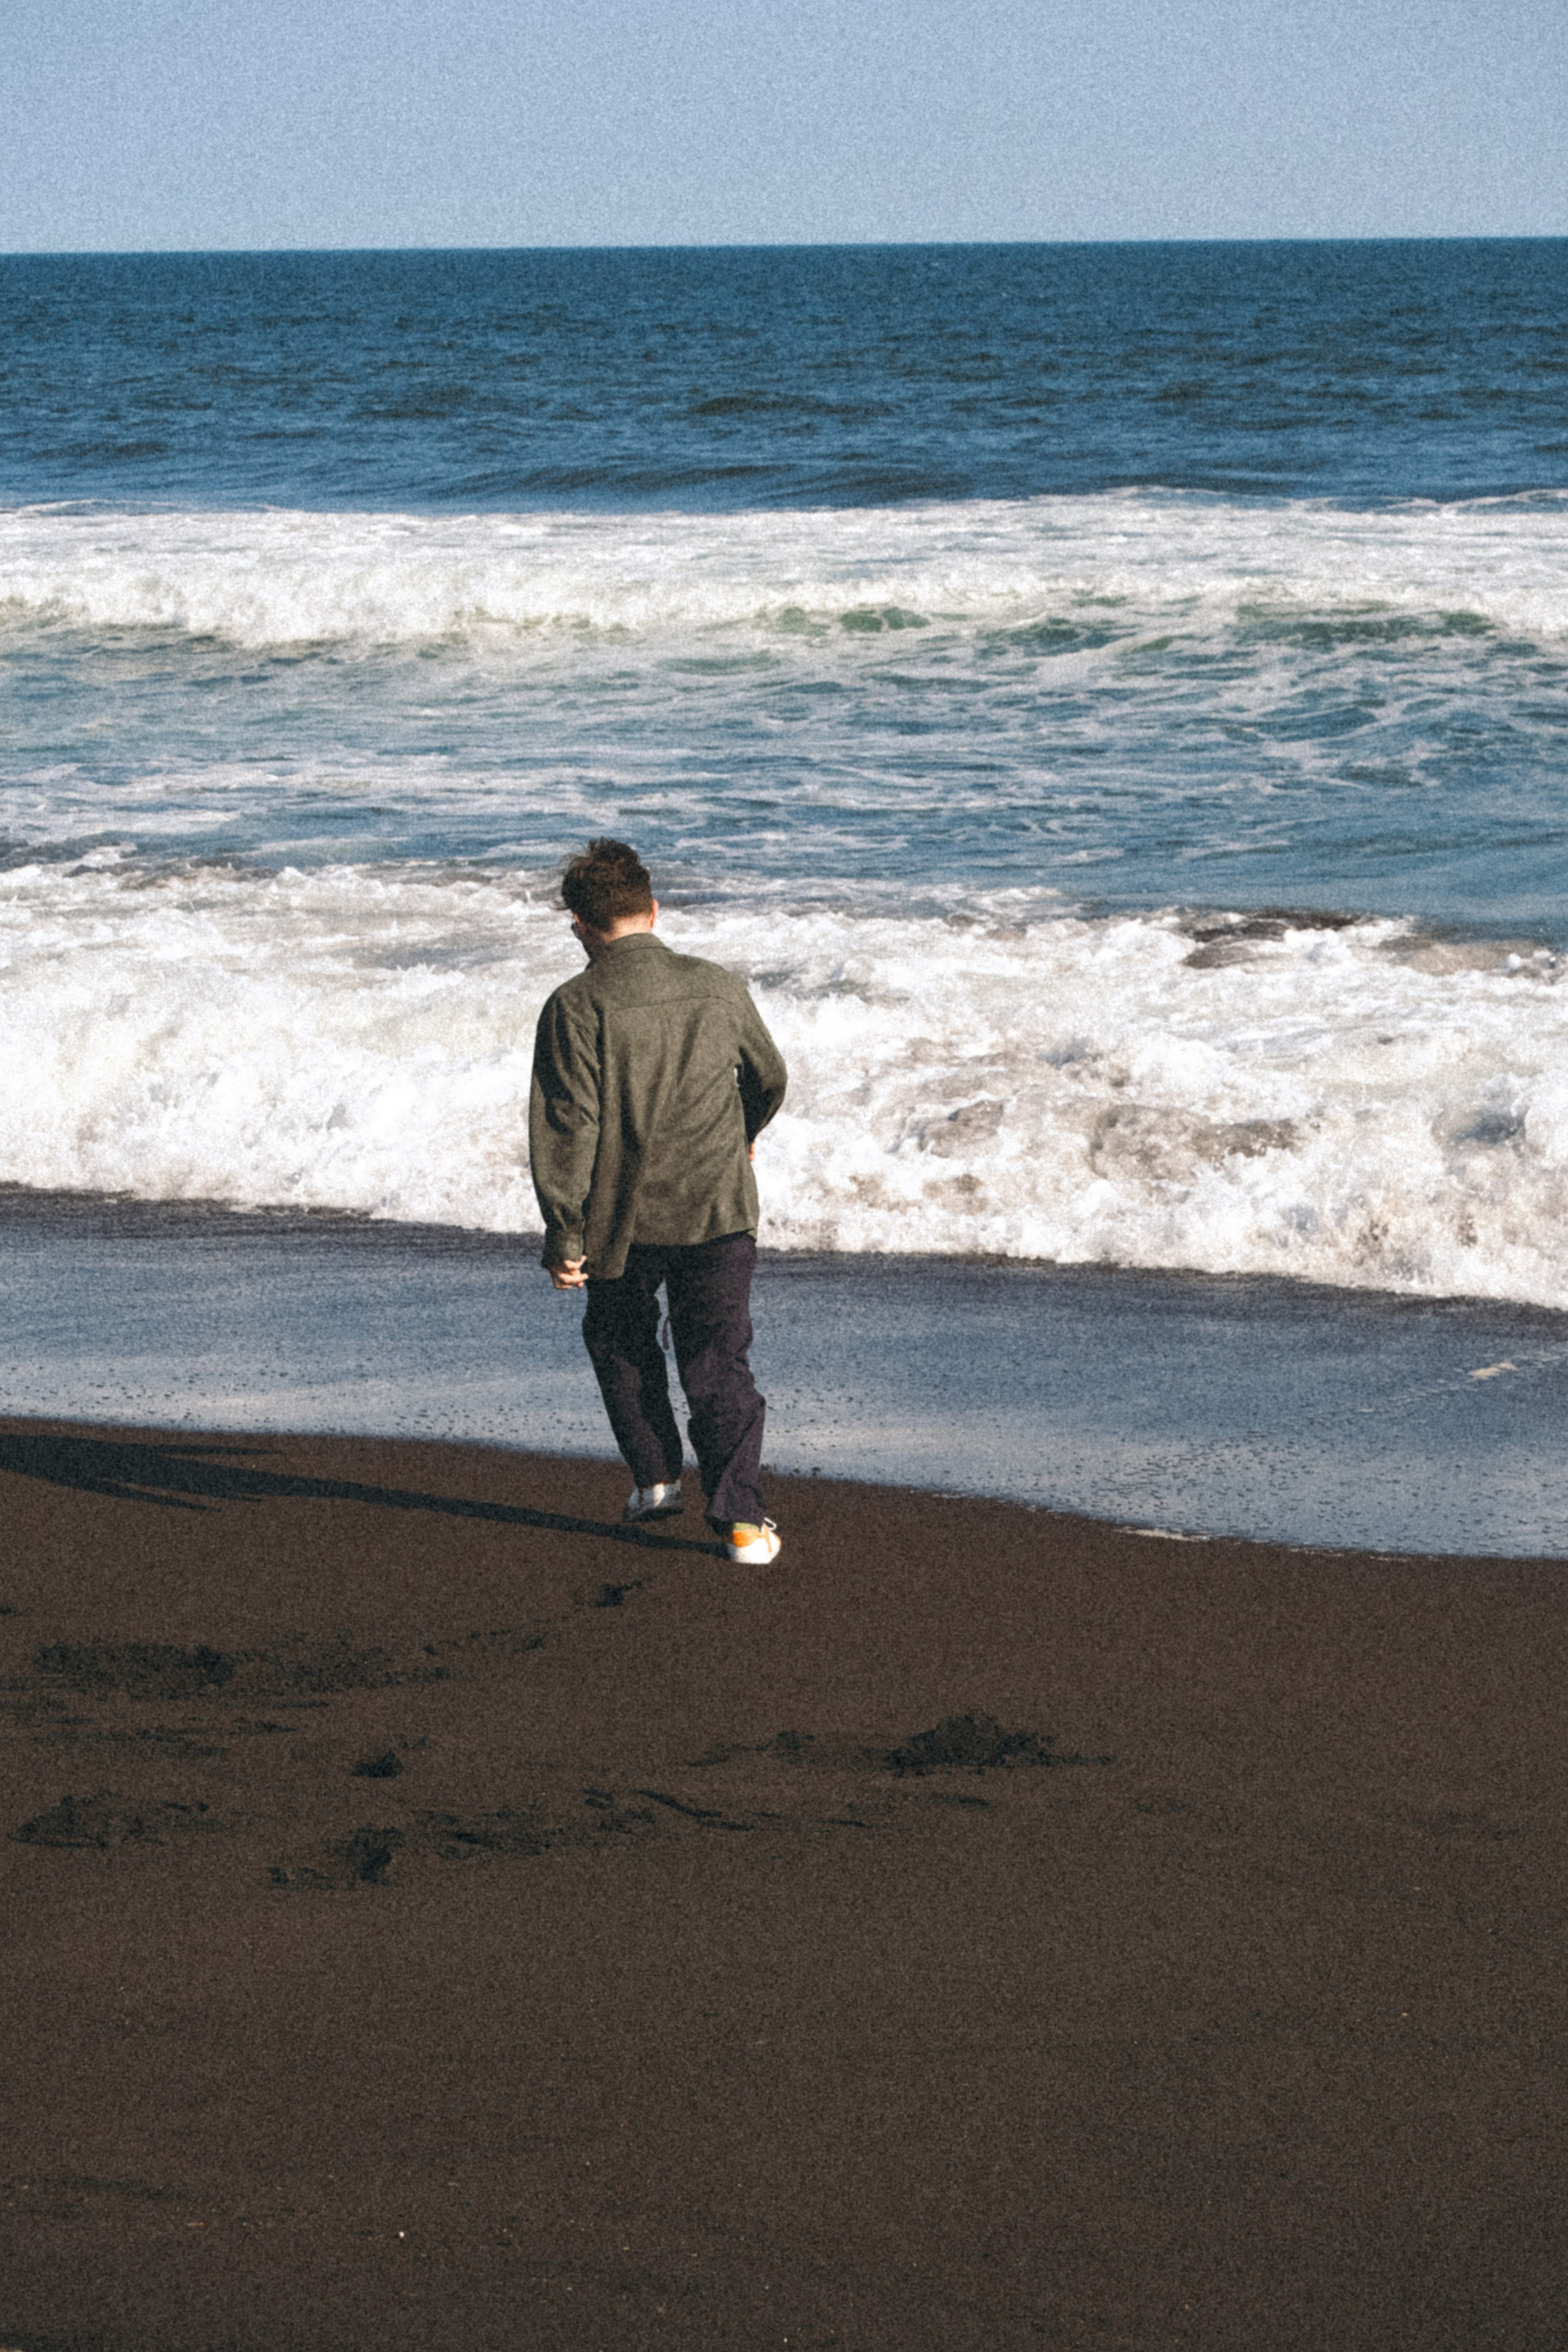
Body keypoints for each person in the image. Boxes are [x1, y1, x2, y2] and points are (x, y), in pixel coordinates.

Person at [529, 839, 789, 1565]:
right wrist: (742, 1132)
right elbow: (769, 1076)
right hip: (718, 1208)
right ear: (653, 910)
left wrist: (564, 1234)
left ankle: (654, 1479)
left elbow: (567, 1127)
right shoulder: (717, 984)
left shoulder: (576, 1005)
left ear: (579, 925)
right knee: (718, 1362)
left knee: (619, 1341)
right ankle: (741, 1523)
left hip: (622, 1217)